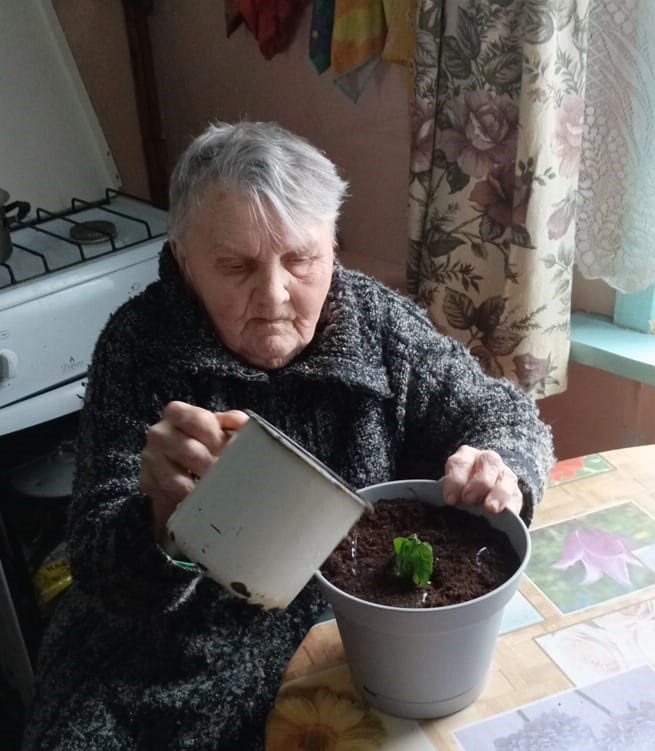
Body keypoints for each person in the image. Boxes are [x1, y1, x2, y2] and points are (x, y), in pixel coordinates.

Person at [22, 121, 554, 751]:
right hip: (160, 662)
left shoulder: (376, 323)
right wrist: (161, 519)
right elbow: (97, 567)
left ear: (333, 246)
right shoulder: (139, 346)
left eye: (301, 260)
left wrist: (499, 463)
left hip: (342, 644)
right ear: (185, 261)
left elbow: (502, 412)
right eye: (236, 266)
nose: (274, 296)